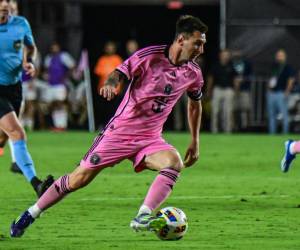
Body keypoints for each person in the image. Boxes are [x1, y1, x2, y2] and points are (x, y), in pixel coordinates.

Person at [10, 15, 207, 238]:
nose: (200, 49)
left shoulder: (193, 73)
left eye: (203, 44)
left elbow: (194, 105)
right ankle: (30, 214)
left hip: (150, 138)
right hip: (119, 134)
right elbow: (119, 73)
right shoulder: (150, 56)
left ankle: (143, 215)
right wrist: (111, 84)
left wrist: (195, 141)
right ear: (181, 39)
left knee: (173, 163)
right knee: (78, 180)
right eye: (197, 43)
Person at [0, 0, 54, 196]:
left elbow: (30, 47)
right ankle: (36, 184)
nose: (4, 5)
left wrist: (28, 61)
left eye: (7, 2)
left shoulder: (21, 24)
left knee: (3, 137)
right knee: (17, 132)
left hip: (14, 87)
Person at [44, 42, 76, 131]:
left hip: (60, 85)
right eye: (52, 48)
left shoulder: (64, 56)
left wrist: (65, 77)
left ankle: (63, 124)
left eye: (56, 47)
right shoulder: (48, 58)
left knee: (60, 103)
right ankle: (57, 125)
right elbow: (46, 69)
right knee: (53, 105)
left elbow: (72, 66)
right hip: (51, 84)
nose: (54, 49)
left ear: (59, 48)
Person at [207, 49, 238, 133]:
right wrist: (209, 91)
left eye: (227, 55)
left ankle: (227, 130)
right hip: (217, 89)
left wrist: (235, 91)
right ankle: (214, 130)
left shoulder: (231, 66)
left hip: (228, 90)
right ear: (220, 56)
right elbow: (210, 79)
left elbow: (235, 79)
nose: (226, 56)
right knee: (215, 111)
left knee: (228, 111)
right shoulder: (215, 66)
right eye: (224, 55)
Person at [267, 49, 295, 134]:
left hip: (281, 93)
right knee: (271, 115)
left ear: (285, 57)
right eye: (278, 55)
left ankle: (285, 133)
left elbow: (291, 80)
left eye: (281, 55)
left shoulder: (288, 67)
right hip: (272, 93)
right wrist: (268, 89)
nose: (279, 57)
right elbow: (271, 79)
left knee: (284, 114)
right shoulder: (274, 67)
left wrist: (287, 91)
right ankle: (272, 133)